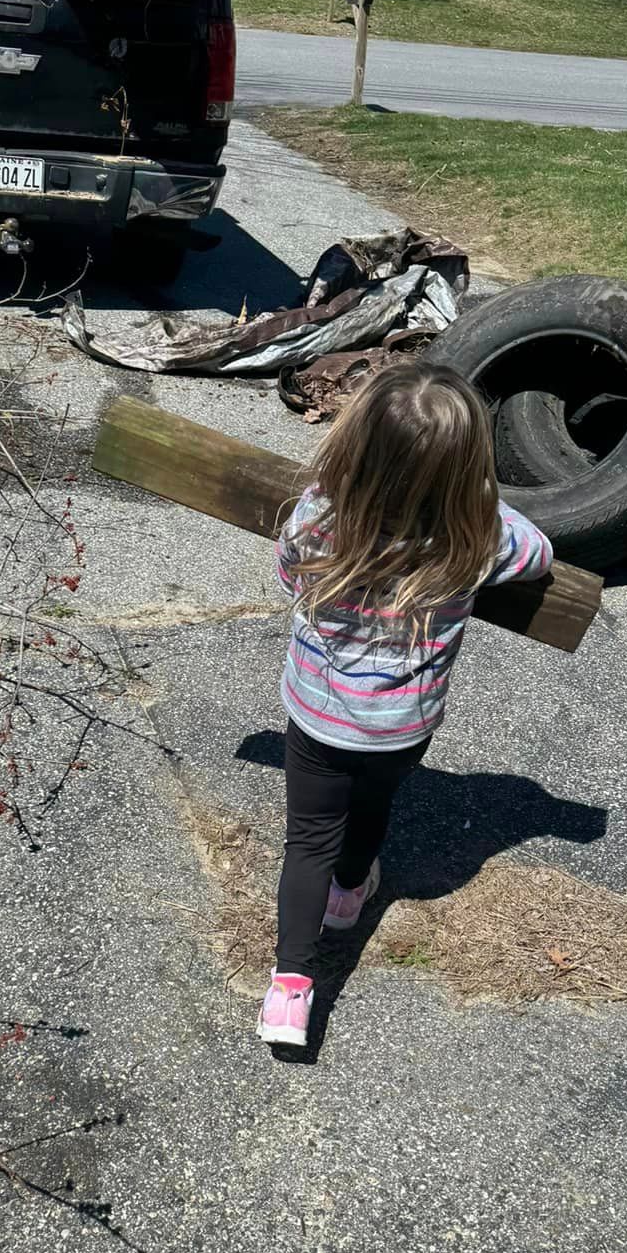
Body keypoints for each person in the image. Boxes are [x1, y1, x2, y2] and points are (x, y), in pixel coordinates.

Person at [259, 364, 553, 1049]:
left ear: (355, 445)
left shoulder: (316, 519)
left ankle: (290, 991)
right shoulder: (475, 541)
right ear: (466, 470)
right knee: (373, 806)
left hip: (317, 716)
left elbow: (283, 574)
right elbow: (540, 553)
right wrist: (481, 503)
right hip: (402, 727)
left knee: (307, 839)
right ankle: (349, 893)